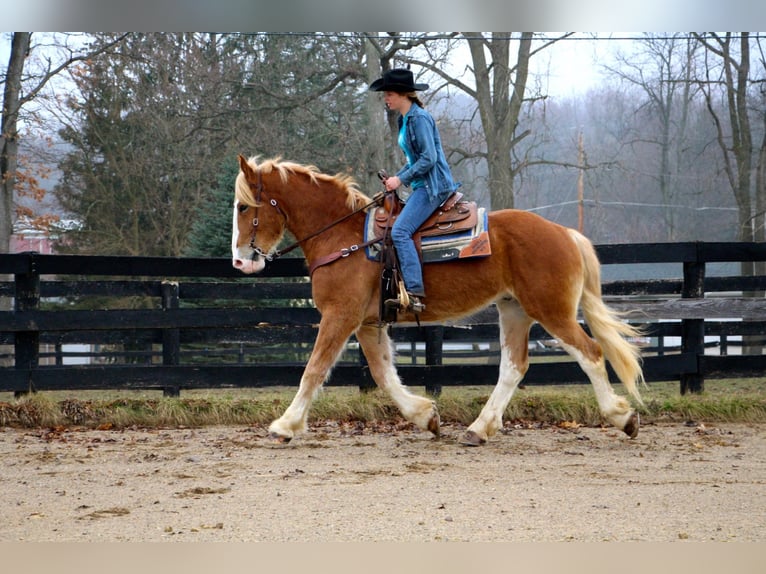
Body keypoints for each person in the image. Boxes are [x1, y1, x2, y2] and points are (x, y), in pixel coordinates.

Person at [369, 68, 460, 313]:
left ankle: (414, 292)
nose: (386, 99)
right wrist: (397, 178)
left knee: (400, 231)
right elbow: (414, 160)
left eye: (389, 94)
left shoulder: (419, 118)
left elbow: (429, 158)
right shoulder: (405, 119)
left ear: (402, 94)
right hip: (421, 185)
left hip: (434, 187)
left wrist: (400, 180)